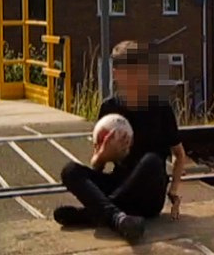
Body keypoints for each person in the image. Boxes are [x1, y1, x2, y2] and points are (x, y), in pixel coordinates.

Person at [53, 40, 186, 241]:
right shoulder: (109, 109)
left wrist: (174, 190)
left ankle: (93, 214)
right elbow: (96, 166)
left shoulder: (161, 108)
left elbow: (179, 155)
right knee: (70, 171)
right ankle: (118, 218)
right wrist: (102, 156)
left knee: (152, 161)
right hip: (118, 182)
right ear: (116, 74)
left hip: (149, 195)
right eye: (128, 72)